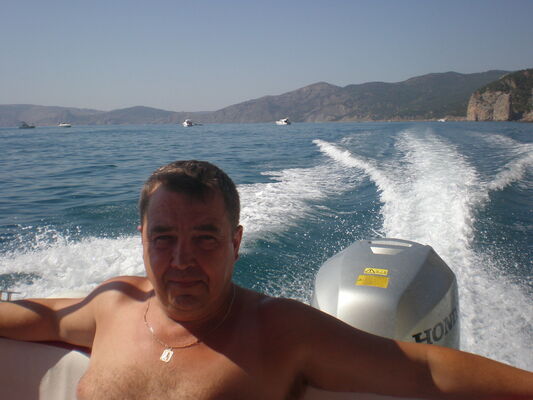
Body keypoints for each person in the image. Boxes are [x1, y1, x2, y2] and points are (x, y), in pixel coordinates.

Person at [0, 159, 532, 400]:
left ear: (236, 242)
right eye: (163, 238)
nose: (181, 259)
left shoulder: (280, 330)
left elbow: (422, 370)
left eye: (205, 238)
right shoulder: (110, 306)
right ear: (142, 239)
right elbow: (38, 316)